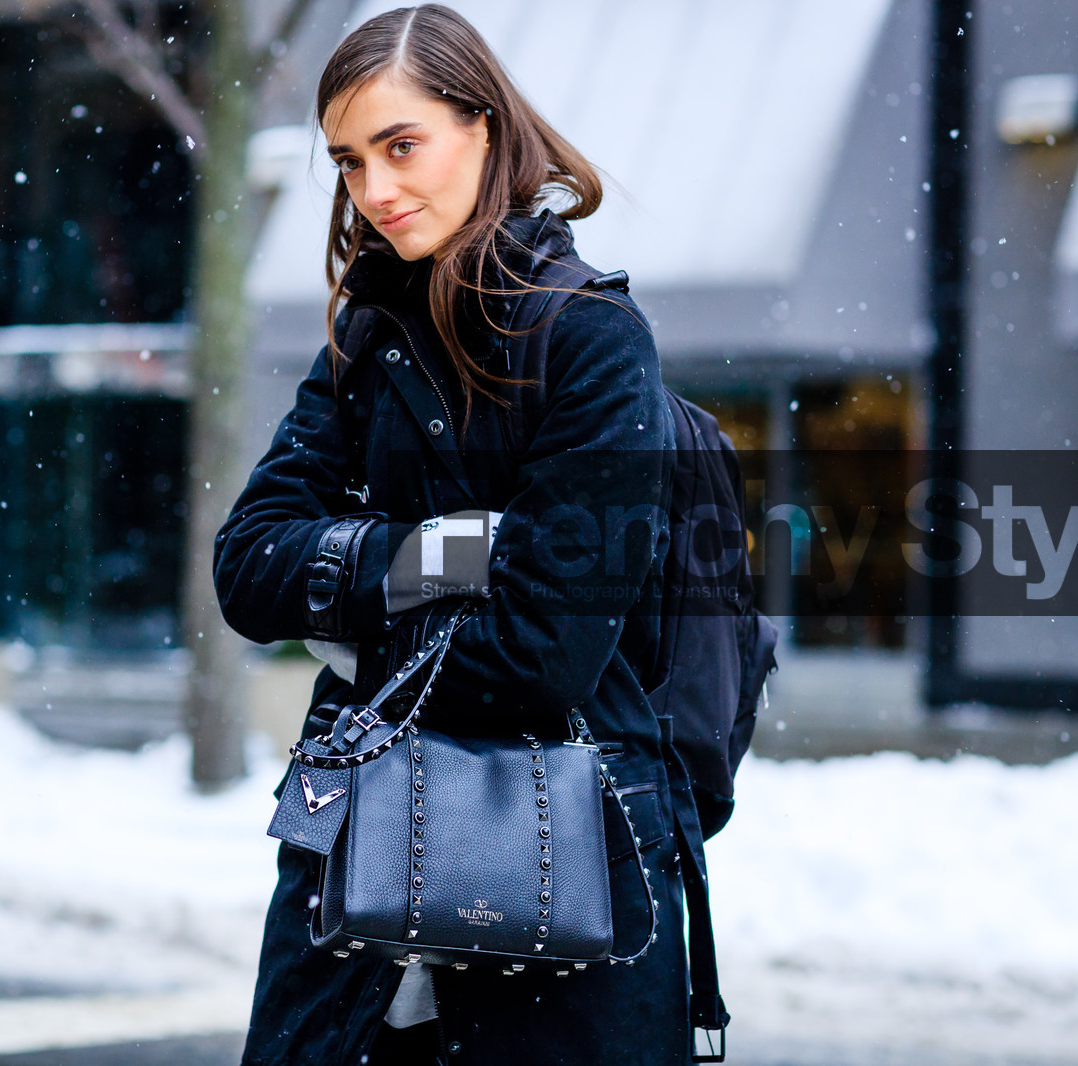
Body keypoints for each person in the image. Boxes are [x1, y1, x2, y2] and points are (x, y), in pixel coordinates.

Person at [214, 7, 693, 1064]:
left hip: (565, 881)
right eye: (347, 162)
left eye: (400, 146)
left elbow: (542, 654)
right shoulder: (365, 341)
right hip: (350, 904)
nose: (374, 191)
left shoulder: (593, 340)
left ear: (484, 128)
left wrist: (346, 623)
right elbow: (246, 569)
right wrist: (440, 553)